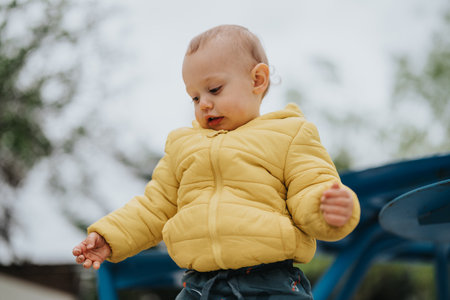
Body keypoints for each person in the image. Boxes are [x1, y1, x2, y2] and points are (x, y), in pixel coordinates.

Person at [73, 24, 360, 299]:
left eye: (214, 89)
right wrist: (110, 236)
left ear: (257, 80)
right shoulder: (183, 146)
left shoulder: (289, 133)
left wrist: (329, 208)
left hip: (270, 282)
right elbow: (154, 206)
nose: (204, 104)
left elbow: (311, 186)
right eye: (194, 97)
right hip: (200, 286)